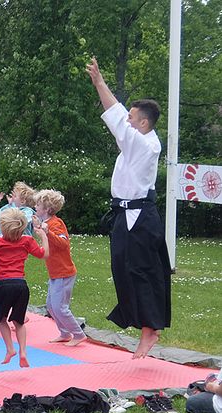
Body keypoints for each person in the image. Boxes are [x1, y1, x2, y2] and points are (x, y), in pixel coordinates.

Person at [86, 57, 171, 359]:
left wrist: (99, 83)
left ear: (143, 123)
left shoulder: (146, 145)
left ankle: (151, 328)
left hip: (140, 217)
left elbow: (116, 114)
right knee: (122, 269)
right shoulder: (134, 145)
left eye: (133, 119)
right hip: (125, 215)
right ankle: (142, 323)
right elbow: (120, 118)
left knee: (143, 272)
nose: (129, 123)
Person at [0, 208, 49, 369]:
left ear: (2, 227)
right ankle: (23, 351)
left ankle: (10, 349)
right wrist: (44, 237)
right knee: (19, 321)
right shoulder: (27, 241)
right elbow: (43, 254)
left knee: (2, 319)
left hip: (3, 285)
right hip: (21, 285)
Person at [34, 189, 86, 347]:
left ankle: (78, 334)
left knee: (60, 307)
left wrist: (47, 233)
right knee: (51, 306)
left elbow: (63, 244)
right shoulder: (46, 224)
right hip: (55, 272)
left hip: (64, 272)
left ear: (47, 209)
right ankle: (64, 333)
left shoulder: (56, 223)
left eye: (38, 204)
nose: (35, 207)